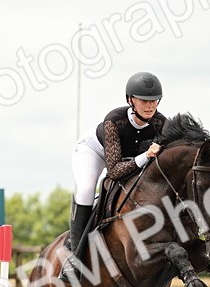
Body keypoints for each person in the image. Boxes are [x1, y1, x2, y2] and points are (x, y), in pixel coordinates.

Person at [64, 72, 167, 276]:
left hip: (129, 160)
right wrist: (146, 156)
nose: (150, 106)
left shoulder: (161, 124)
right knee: (85, 189)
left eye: (154, 100)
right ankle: (75, 256)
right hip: (94, 152)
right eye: (144, 101)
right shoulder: (114, 120)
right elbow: (114, 171)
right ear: (131, 100)